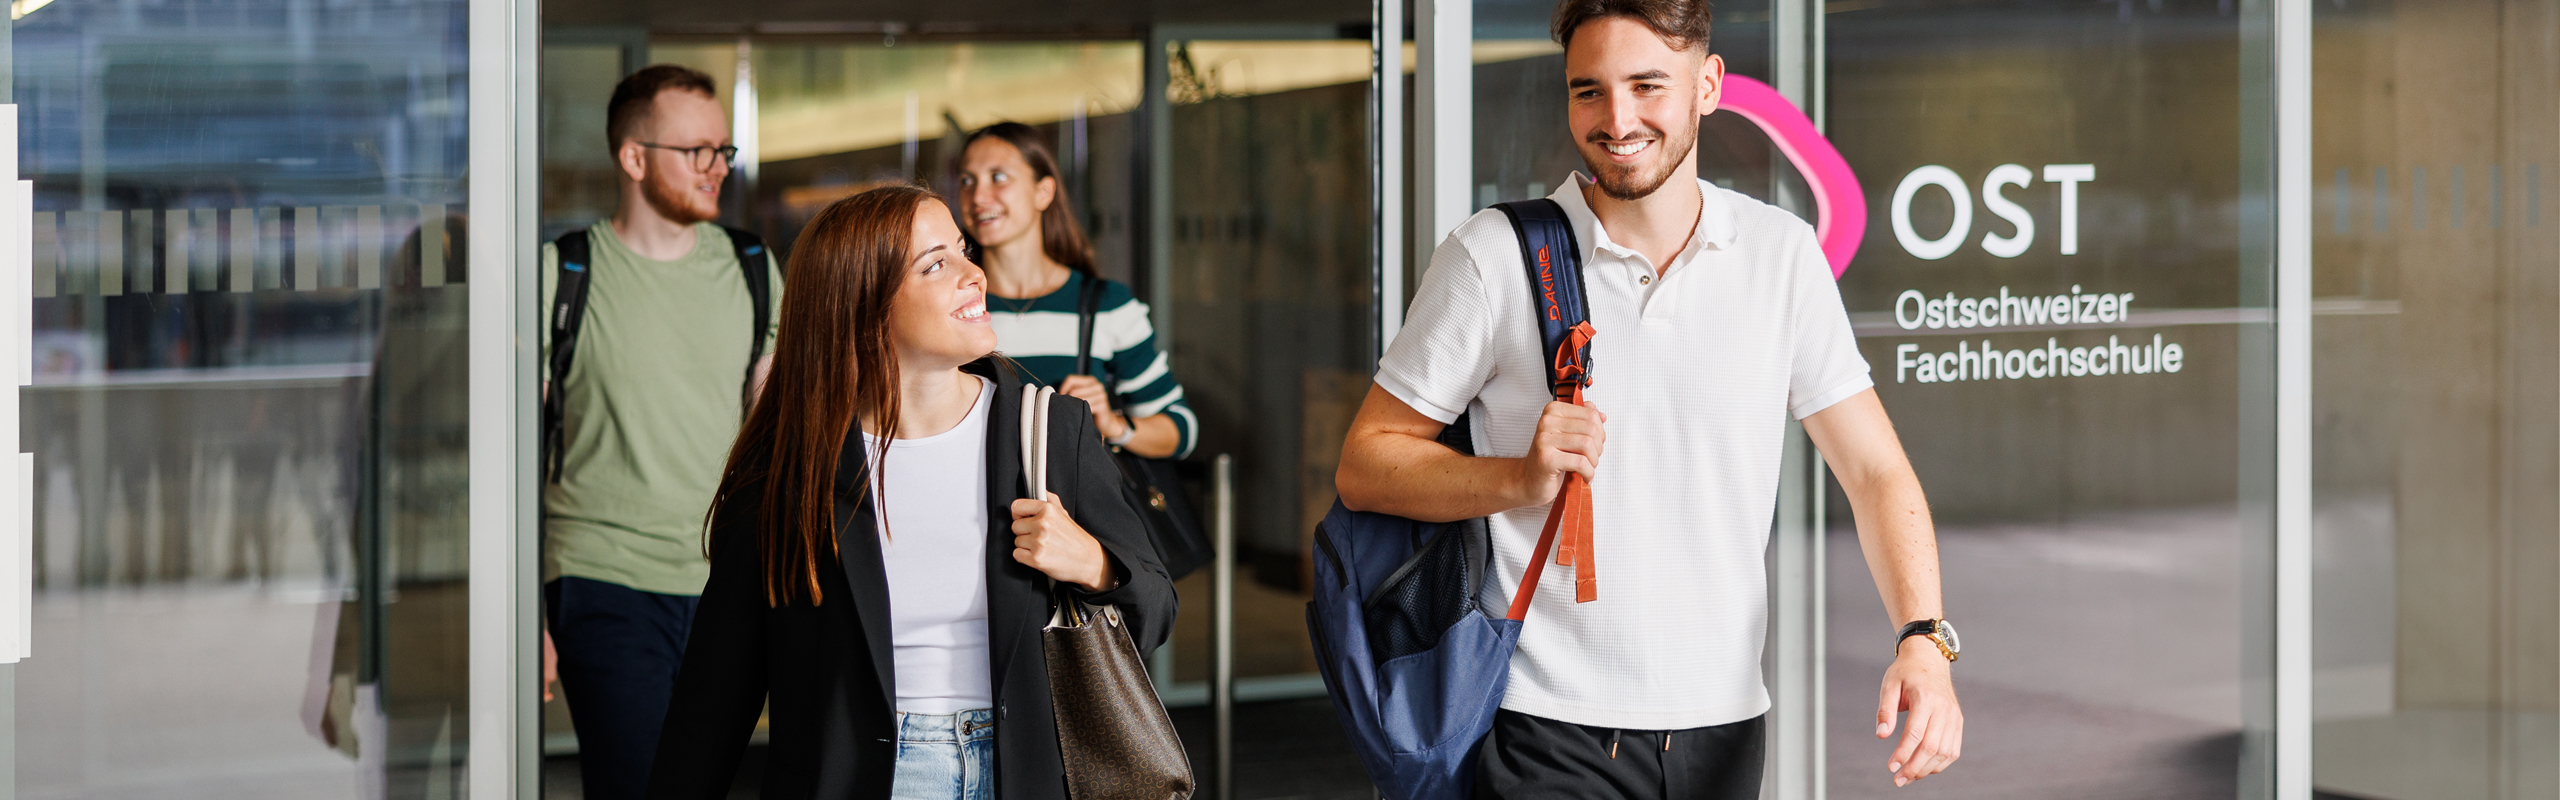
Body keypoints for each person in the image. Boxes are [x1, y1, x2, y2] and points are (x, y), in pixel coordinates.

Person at [1334, 0, 1966, 795]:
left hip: (1728, 727)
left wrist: (1922, 641)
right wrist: (1517, 480)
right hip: (1545, 725)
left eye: (1646, 85)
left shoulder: (1781, 256)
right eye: (1588, 90)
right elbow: (1366, 463)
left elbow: (1875, 471)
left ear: (1708, 85)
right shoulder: (1494, 256)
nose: (1617, 118)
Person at [646, 184, 1177, 800]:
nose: (974, 274)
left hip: (1025, 776)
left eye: (962, 249)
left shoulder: (1052, 431)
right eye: (936, 264)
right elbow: (718, 685)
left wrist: (1092, 562)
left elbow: (1156, 609)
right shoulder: (792, 468)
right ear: (865, 309)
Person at [537, 64, 784, 800]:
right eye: (696, 152)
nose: (716, 169)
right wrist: (526, 619)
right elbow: (510, 456)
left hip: (727, 579)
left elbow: (776, 429)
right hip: (602, 576)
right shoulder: (563, 273)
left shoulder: (753, 269)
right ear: (634, 157)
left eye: (723, 152)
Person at [956, 122, 1196, 462]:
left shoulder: (1106, 306)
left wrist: (1113, 425)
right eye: (967, 181)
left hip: (1071, 515)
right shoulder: (953, 305)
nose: (978, 197)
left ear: (1044, 192)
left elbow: (1181, 429)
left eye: (998, 177)